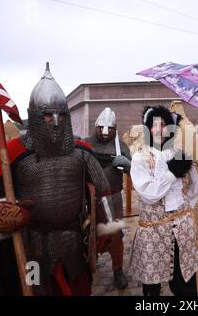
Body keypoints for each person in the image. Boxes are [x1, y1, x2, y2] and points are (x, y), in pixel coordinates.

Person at [0, 63, 124, 296]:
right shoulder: (15, 154)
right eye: (48, 115)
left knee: (77, 290)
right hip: (32, 246)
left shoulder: (80, 152)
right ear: (36, 117)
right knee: (33, 288)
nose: (56, 121)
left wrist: (109, 226)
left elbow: (102, 190)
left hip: (72, 244)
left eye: (61, 115)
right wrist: (0, 215)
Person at [129, 105, 198, 296]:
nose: (158, 129)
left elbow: (194, 188)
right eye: (153, 125)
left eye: (163, 124)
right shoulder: (140, 159)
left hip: (182, 230)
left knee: (185, 283)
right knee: (152, 283)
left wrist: (184, 213)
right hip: (153, 232)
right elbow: (150, 194)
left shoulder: (179, 155)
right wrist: (172, 172)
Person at [84, 107, 131, 289]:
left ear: (114, 129)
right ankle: (88, 268)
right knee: (88, 233)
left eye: (109, 128)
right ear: (96, 127)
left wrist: (128, 165)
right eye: (101, 128)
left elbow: (134, 171)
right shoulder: (86, 144)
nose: (105, 132)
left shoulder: (122, 146)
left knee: (115, 236)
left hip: (113, 197)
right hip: (90, 198)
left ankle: (118, 270)